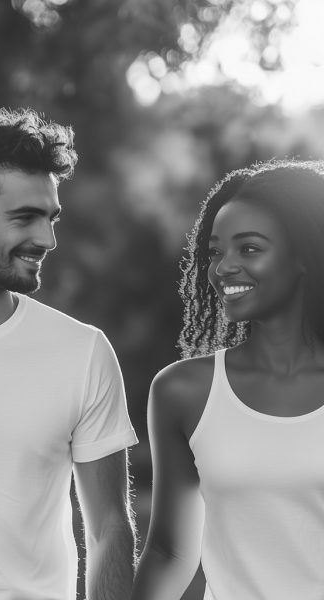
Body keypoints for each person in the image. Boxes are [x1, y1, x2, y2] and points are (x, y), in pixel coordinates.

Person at [0, 107, 138, 600]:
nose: (47, 239)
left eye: (50, 217)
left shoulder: (81, 353)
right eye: (24, 217)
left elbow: (108, 529)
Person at [131, 158, 324, 600]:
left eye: (249, 249)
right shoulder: (184, 392)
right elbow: (169, 552)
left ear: (305, 257)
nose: (222, 268)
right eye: (216, 251)